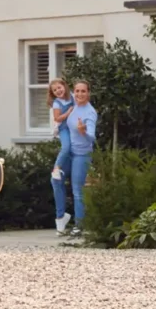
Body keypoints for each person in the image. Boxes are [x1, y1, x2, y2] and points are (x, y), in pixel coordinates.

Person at [51, 81, 97, 236]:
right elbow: (60, 119)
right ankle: (61, 217)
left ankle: (80, 226)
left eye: (83, 91)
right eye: (77, 91)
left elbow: (92, 137)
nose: (79, 94)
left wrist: (83, 131)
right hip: (69, 153)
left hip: (81, 155)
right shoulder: (74, 106)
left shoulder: (90, 112)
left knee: (77, 190)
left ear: (88, 93)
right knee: (55, 180)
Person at [48, 79, 74, 181]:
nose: (58, 91)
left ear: (64, 86)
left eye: (59, 87)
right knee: (66, 147)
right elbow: (57, 118)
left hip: (74, 128)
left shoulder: (72, 96)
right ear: (53, 93)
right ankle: (56, 169)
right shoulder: (57, 103)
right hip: (64, 129)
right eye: (55, 90)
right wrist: (68, 112)